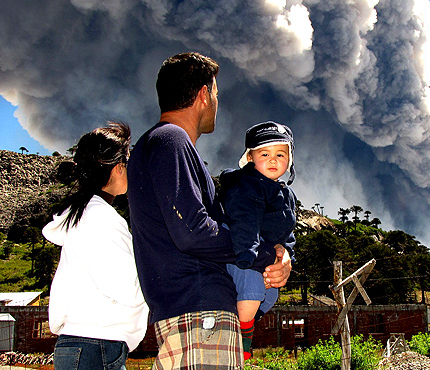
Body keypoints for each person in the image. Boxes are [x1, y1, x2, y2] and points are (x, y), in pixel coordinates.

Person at [127, 52, 291, 369]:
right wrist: (267, 256)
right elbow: (194, 233)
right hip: (202, 317)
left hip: (191, 315)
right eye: (216, 93)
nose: (217, 102)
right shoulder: (170, 141)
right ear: (204, 94)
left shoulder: (158, 145)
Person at [43, 122, 148, 370]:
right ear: (116, 168)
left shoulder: (86, 215)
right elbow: (127, 288)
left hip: (88, 345)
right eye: (126, 160)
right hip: (96, 346)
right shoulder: (99, 218)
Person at [219, 121, 297, 360]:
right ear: (250, 158)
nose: (273, 160)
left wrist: (287, 254)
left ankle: (243, 321)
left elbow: (288, 234)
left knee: (270, 294)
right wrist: (247, 256)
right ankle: (242, 341)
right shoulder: (247, 185)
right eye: (265, 153)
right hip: (243, 252)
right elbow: (245, 221)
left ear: (289, 160)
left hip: (259, 255)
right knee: (253, 291)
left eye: (280, 154)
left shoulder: (286, 195)